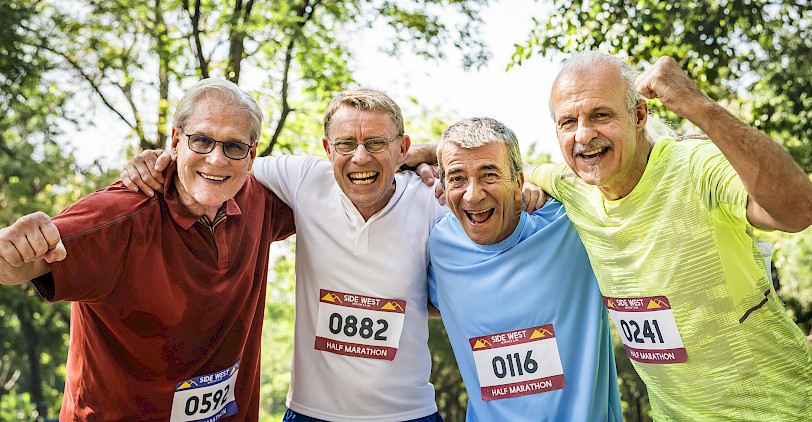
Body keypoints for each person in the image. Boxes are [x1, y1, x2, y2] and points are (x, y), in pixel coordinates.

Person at [123, 88, 549, 421]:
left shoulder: (435, 198)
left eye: (376, 143)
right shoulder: (303, 177)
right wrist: (158, 159)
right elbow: (220, 165)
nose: (359, 156)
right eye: (345, 144)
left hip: (409, 414)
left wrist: (532, 186)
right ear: (327, 150)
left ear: (402, 148)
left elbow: (481, 166)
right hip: (310, 413)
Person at [528, 51, 812, 420]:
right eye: (568, 121)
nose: (583, 134)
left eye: (601, 115)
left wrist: (697, 104)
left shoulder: (696, 163)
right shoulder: (570, 186)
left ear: (639, 115)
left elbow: (798, 210)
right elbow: (490, 167)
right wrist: (429, 154)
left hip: (782, 410)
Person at [0, 79, 295, 421]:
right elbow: (23, 265)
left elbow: (342, 195)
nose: (216, 159)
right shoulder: (119, 216)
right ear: (175, 141)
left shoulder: (262, 202)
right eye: (201, 140)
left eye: (234, 146)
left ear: (251, 154)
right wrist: (10, 249)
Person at [427, 117, 622, 421]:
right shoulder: (440, 244)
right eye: (457, 178)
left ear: (518, 182)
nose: (473, 194)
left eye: (489, 175)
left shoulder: (570, 223)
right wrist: (414, 156)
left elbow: (624, 171)